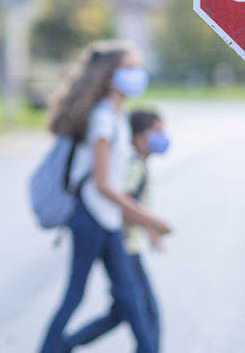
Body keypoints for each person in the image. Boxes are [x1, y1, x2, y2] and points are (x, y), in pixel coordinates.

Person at [38, 41, 172, 353]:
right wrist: (148, 220)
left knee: (131, 299)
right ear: (111, 78)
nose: (138, 74)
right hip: (91, 217)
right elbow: (102, 184)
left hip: (107, 219)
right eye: (130, 69)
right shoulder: (102, 119)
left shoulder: (115, 115)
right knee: (77, 296)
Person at [65, 109, 170, 349]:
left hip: (127, 247)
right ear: (138, 139)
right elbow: (123, 206)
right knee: (147, 314)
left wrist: (149, 230)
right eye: (157, 132)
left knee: (122, 313)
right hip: (125, 250)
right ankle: (61, 345)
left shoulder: (138, 165)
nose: (163, 138)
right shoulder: (134, 167)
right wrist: (152, 224)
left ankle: (64, 345)